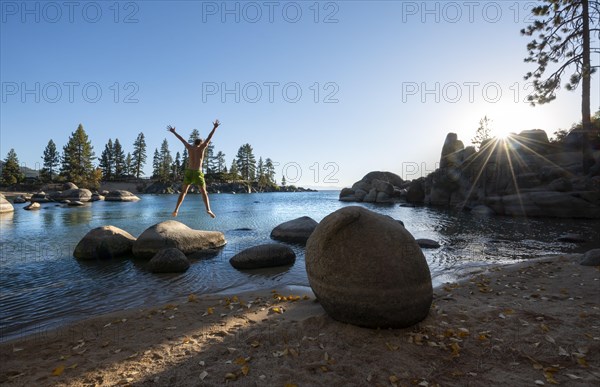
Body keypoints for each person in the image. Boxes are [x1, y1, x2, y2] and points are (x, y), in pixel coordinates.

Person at [167, 120, 220, 218]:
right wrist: (215, 128)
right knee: (204, 192)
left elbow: (181, 139)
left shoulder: (189, 147)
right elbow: (209, 137)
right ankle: (208, 209)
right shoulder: (201, 148)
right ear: (200, 143)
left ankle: (176, 209)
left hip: (189, 172)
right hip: (197, 172)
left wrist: (174, 132)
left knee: (184, 192)